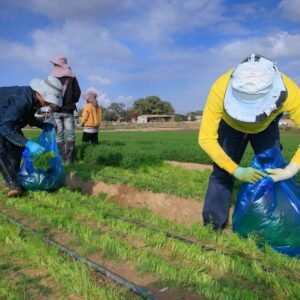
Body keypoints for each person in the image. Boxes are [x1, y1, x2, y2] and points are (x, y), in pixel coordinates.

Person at [198, 53, 300, 230]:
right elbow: (206, 138)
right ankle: (212, 224)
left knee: (272, 169)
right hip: (230, 126)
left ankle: (273, 223)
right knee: (222, 174)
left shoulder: (290, 92)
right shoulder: (220, 88)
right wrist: (235, 170)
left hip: (266, 127)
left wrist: (289, 170)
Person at [0, 75, 63, 197]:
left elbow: (27, 117)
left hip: (6, 121)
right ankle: (12, 184)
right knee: (1, 148)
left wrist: (42, 125)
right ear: (41, 93)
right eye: (49, 101)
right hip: (4, 122)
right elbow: (5, 127)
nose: (49, 104)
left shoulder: (33, 99)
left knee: (17, 147)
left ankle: (14, 178)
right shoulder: (22, 100)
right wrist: (29, 143)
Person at [50, 56, 81, 164]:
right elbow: (77, 93)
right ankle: (70, 160)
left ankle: (61, 159)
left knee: (59, 134)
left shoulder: (52, 78)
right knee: (70, 134)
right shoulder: (72, 77)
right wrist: (71, 100)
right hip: (68, 110)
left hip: (56, 110)